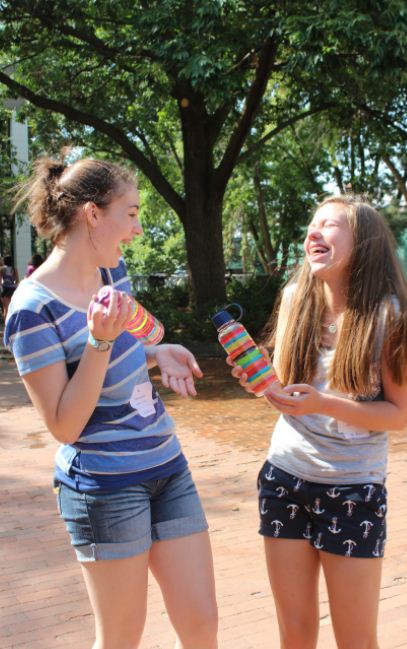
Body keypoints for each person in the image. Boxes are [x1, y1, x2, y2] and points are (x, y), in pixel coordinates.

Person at [4, 157, 218, 649]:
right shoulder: (33, 310)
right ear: (93, 215)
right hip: (104, 486)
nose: (138, 229)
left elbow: (122, 350)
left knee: (202, 624)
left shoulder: (112, 272)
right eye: (131, 213)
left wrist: (155, 352)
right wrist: (98, 342)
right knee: (122, 637)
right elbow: (64, 423)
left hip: (167, 466)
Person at [229, 195, 407, 649]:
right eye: (312, 224)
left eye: (329, 225)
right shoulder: (296, 298)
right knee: (295, 633)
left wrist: (322, 404)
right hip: (284, 480)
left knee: (355, 639)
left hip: (354, 488)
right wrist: (260, 384)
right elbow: (286, 393)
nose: (313, 232)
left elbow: (399, 414)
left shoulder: (390, 316)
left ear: (365, 243)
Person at [0, 253, 19, 321]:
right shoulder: (14, 269)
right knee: (13, 308)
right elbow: (17, 280)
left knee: (6, 309)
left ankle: (6, 325)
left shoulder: (2, 269)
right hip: (13, 290)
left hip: (5, 289)